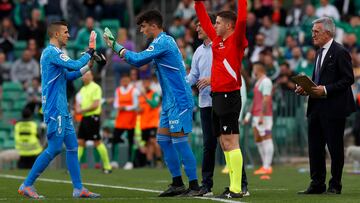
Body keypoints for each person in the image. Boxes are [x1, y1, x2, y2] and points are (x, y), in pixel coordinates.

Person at [103, 10, 201, 196]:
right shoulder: (160, 42)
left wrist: (115, 45)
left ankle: (195, 186)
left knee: (180, 142)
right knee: (163, 141)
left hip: (180, 99)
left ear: (154, 26)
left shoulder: (163, 41)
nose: (141, 30)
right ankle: (177, 183)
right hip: (169, 100)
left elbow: (138, 60)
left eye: (143, 26)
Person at [18, 21, 100, 199]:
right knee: (55, 148)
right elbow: (73, 64)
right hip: (55, 108)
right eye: (66, 32)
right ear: (56, 35)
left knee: (72, 147)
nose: (68, 35)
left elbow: (69, 75)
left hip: (62, 107)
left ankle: (78, 189)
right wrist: (90, 50)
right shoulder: (52, 52)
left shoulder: (55, 54)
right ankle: (27, 184)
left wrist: (89, 66)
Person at [187, 14, 249, 196]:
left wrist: (212, 80)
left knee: (230, 141)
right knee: (213, 144)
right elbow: (193, 77)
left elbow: (230, 72)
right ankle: (206, 186)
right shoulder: (198, 51)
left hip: (224, 97)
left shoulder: (222, 45)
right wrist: (178, 83)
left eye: (201, 25)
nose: (198, 28)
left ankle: (241, 185)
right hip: (206, 102)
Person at [296, 17, 356, 195]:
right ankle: (317, 183)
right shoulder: (318, 52)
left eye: (316, 31)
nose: (312, 35)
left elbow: (348, 79)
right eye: (312, 31)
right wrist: (308, 88)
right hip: (316, 107)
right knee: (315, 147)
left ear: (328, 32)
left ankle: (335, 185)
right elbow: (320, 81)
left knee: (334, 148)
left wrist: (325, 90)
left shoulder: (340, 52)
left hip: (334, 108)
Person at [75, 71, 112, 174]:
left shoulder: (96, 87)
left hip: (93, 117)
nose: (85, 77)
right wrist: (78, 108)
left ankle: (107, 166)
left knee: (97, 142)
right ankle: (74, 167)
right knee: (81, 142)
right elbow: (78, 103)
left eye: (87, 75)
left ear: (91, 76)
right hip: (85, 118)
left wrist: (81, 110)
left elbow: (96, 105)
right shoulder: (82, 90)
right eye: (84, 75)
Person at [244, 62, 274, 179]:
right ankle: (264, 165)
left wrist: (262, 115)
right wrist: (248, 116)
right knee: (258, 138)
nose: (253, 71)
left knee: (266, 137)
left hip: (264, 115)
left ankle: (267, 166)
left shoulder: (266, 81)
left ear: (258, 69)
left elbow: (266, 99)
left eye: (254, 69)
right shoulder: (258, 82)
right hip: (256, 114)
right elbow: (255, 100)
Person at [111, 74, 140, 170]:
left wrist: (125, 107)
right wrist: (118, 107)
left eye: (126, 80)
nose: (124, 82)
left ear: (129, 80)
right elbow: (115, 103)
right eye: (123, 80)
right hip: (120, 119)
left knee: (131, 140)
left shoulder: (134, 91)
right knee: (115, 139)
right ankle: (114, 161)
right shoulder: (118, 90)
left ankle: (130, 162)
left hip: (131, 118)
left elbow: (136, 105)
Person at [138, 77, 162, 168]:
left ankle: (159, 160)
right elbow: (140, 108)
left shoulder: (154, 94)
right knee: (147, 143)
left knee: (153, 141)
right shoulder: (140, 96)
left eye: (147, 83)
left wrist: (145, 97)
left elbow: (154, 105)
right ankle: (149, 162)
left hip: (153, 123)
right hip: (144, 124)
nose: (145, 85)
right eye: (144, 83)